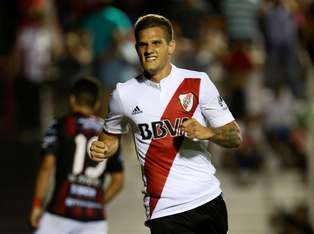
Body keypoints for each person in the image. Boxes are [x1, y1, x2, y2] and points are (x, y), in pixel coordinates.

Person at [90, 14, 242, 234]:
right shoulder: (124, 93)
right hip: (164, 210)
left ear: (171, 46)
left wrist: (208, 132)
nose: (149, 49)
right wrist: (103, 148)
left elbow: (235, 137)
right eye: (143, 44)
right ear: (136, 49)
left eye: (156, 43)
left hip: (208, 201)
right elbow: (110, 139)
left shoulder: (198, 82)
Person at [30, 77, 124, 234]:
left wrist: (37, 204)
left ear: (72, 99)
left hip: (60, 213)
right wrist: (97, 203)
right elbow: (118, 181)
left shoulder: (60, 125)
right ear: (97, 104)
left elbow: (47, 167)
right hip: (94, 220)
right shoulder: (108, 133)